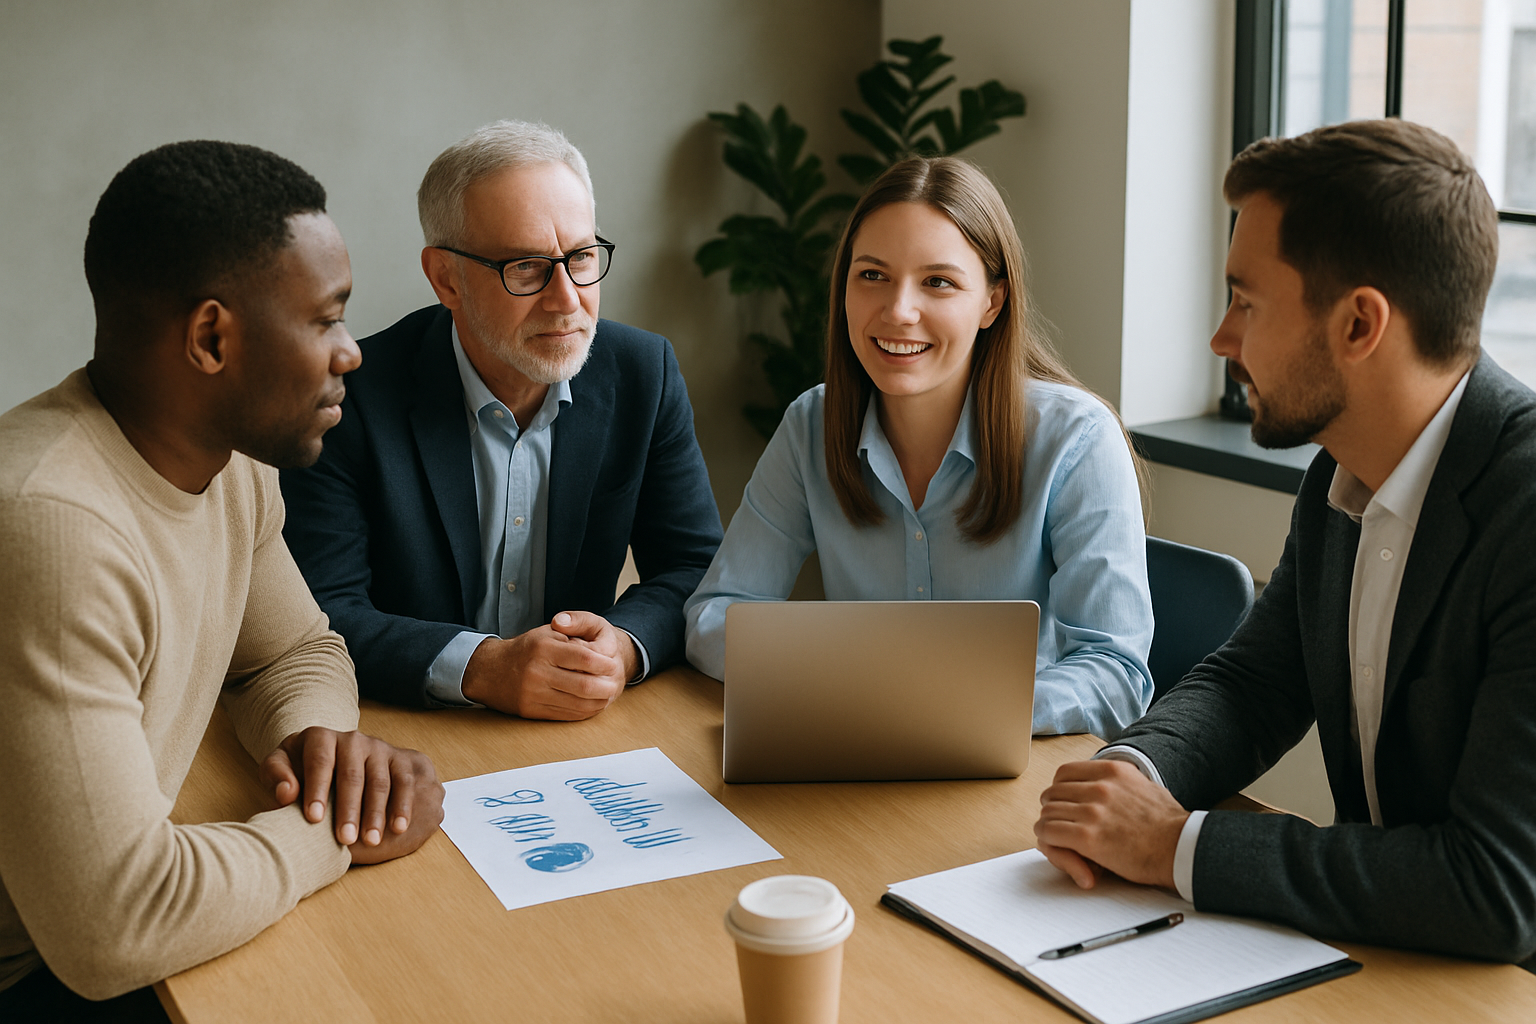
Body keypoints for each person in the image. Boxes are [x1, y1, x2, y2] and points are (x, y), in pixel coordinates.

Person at [1035, 119, 1536, 967]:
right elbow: (1257, 681)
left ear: (1358, 325)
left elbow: (1493, 887)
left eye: (1245, 300)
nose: (1220, 338)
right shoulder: (1342, 471)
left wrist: (1173, 847)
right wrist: (1133, 774)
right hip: (1390, 960)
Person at [0, 141, 444, 1019]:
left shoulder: (233, 466)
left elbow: (290, 652)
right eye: (325, 320)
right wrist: (337, 833)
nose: (351, 352)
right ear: (211, 338)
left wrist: (326, 750)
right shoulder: (48, 526)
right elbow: (114, 926)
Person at [684, 157, 1154, 738]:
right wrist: (844, 680)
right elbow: (714, 612)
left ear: (992, 302)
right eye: (873, 275)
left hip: (1015, 769)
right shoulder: (812, 423)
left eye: (938, 282)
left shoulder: (1077, 440)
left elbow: (1115, 675)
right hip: (858, 754)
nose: (898, 311)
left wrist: (944, 708)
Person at [280, 121, 722, 717]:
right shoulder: (349, 397)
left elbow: (694, 568)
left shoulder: (645, 374)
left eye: (582, 257)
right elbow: (318, 612)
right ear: (446, 279)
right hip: (409, 730)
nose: (568, 298)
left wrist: (621, 647)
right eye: (527, 268)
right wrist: (481, 667)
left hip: (582, 734)